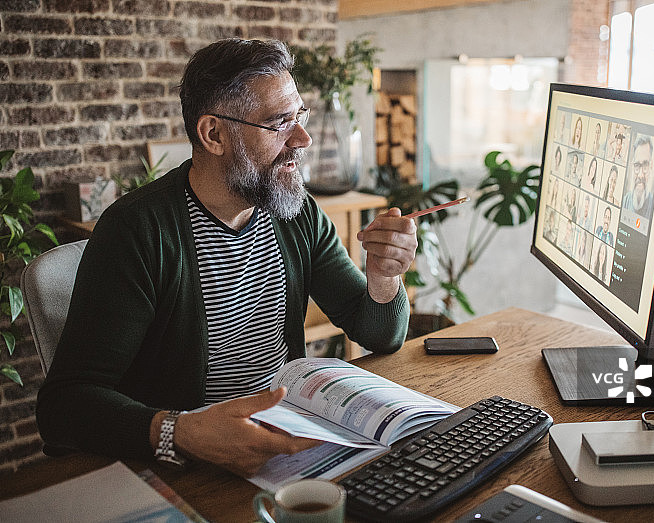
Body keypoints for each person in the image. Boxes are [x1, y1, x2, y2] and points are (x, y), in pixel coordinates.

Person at [36, 38, 416, 476]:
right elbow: (64, 405)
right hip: (187, 466)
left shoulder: (294, 211)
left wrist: (384, 277)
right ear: (213, 134)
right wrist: (180, 432)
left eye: (299, 116)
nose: (303, 138)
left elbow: (379, 335)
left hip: (283, 440)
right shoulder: (137, 230)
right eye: (279, 123)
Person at [621, 136, 654, 220]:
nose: (640, 175)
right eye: (637, 165)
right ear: (632, 166)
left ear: (651, 166)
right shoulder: (624, 202)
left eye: (645, 165)